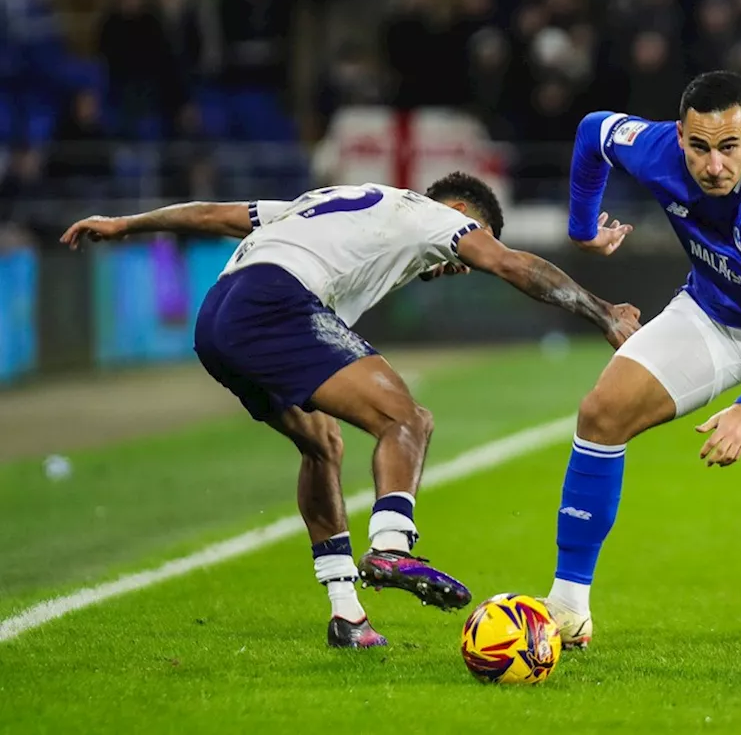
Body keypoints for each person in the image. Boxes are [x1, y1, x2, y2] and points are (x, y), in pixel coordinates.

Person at [61, 173, 640, 649]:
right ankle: (391, 548)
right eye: (476, 239)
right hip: (277, 303)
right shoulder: (435, 216)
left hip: (217, 316)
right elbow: (514, 266)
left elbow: (214, 215)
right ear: (463, 210)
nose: (464, 262)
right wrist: (602, 312)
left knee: (322, 444)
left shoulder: (327, 201)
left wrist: (126, 224)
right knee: (407, 419)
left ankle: (348, 616)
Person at [541, 71, 741, 659]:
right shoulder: (653, 148)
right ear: (680, 135)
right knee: (601, 413)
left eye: (730, 147)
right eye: (700, 147)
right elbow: (591, 133)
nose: (714, 166)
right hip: (715, 309)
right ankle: (566, 606)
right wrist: (583, 228)